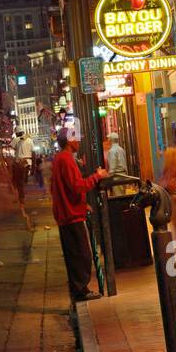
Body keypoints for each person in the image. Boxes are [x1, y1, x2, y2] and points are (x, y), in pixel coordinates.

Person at [50, 126, 110, 303]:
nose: (79, 141)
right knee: (81, 255)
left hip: (69, 214)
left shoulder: (60, 159)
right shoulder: (66, 159)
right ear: (69, 141)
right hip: (71, 216)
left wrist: (83, 205)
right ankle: (80, 291)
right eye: (76, 138)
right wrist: (97, 176)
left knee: (76, 254)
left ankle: (78, 289)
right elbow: (77, 187)